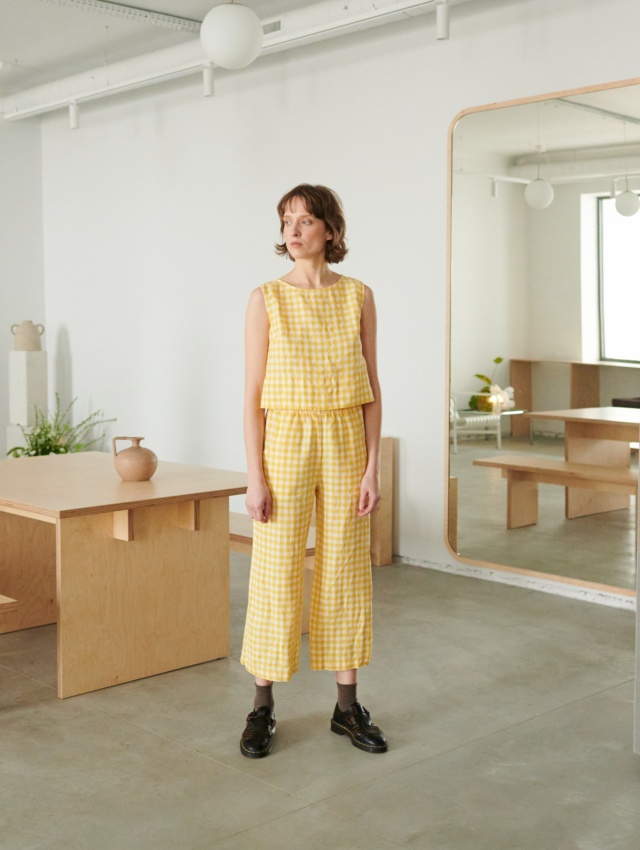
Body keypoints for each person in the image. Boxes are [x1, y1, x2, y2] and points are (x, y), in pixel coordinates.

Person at [240, 183, 387, 758]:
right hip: (286, 440)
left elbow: (372, 388)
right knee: (275, 569)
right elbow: (252, 394)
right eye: (285, 220)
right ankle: (262, 706)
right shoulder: (265, 299)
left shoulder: (358, 296)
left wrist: (372, 467)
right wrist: (256, 475)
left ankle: (347, 708)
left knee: (346, 568)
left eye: (305, 219)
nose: (293, 230)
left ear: (329, 229)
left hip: (346, 437)